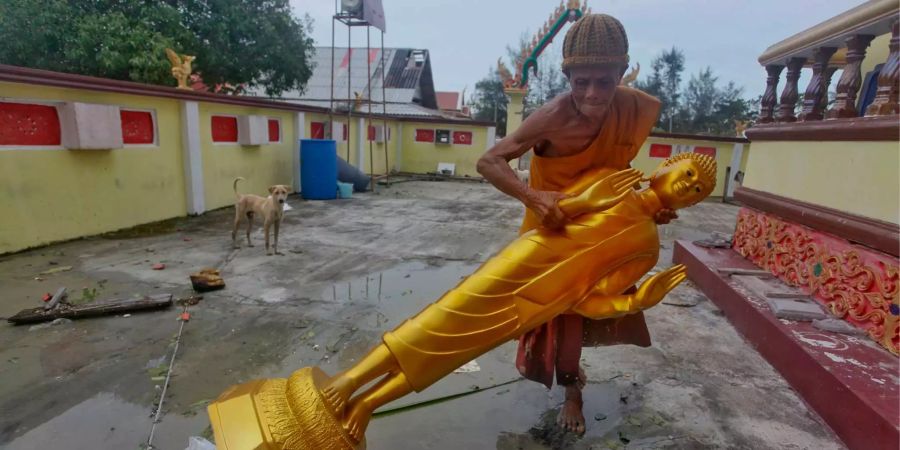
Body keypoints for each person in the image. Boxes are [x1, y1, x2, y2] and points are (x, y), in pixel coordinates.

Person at [318, 153, 716, 444]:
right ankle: (351, 378)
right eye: (689, 173)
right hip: (519, 263)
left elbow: (588, 302)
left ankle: (367, 405)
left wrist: (635, 302)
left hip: (536, 304)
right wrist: (586, 201)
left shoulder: (646, 250)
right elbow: (548, 213)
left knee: (455, 352)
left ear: (692, 204)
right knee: (441, 317)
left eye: (697, 190)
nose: (689, 185)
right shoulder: (613, 181)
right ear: (667, 165)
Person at [475, 13, 671, 434]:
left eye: (604, 80)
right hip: (553, 226)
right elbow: (489, 161)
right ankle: (572, 390)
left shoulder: (634, 108)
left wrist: (653, 203)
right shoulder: (553, 117)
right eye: (581, 82)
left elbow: (623, 172)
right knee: (559, 316)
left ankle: (573, 380)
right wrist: (533, 196)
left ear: (623, 70)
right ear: (568, 78)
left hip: (606, 225)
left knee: (593, 307)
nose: (593, 93)